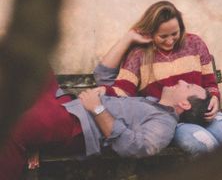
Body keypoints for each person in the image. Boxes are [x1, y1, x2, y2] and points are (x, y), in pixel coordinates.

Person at [95, 0, 222, 155]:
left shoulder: (195, 43)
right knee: (201, 142)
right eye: (163, 36)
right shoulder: (140, 55)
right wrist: (103, 91)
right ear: (151, 33)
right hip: (173, 121)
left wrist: (214, 97)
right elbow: (123, 90)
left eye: (175, 33)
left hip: (204, 115)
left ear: (181, 28)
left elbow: (209, 81)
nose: (170, 40)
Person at [0, 74, 210, 180]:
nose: (182, 81)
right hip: (66, 104)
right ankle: (31, 140)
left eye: (189, 86)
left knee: (12, 128)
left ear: (185, 104)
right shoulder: (150, 101)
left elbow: (135, 147)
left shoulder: (164, 124)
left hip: (77, 125)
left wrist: (97, 108)